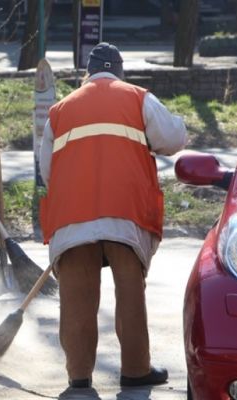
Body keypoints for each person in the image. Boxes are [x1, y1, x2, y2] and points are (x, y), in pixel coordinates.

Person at [38, 42, 187, 390]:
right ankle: (135, 370)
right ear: (120, 72)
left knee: (76, 297)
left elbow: (48, 171)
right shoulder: (138, 98)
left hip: (73, 215)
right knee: (130, 292)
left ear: (87, 73)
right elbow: (173, 138)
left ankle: (78, 379)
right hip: (125, 212)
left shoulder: (60, 111)